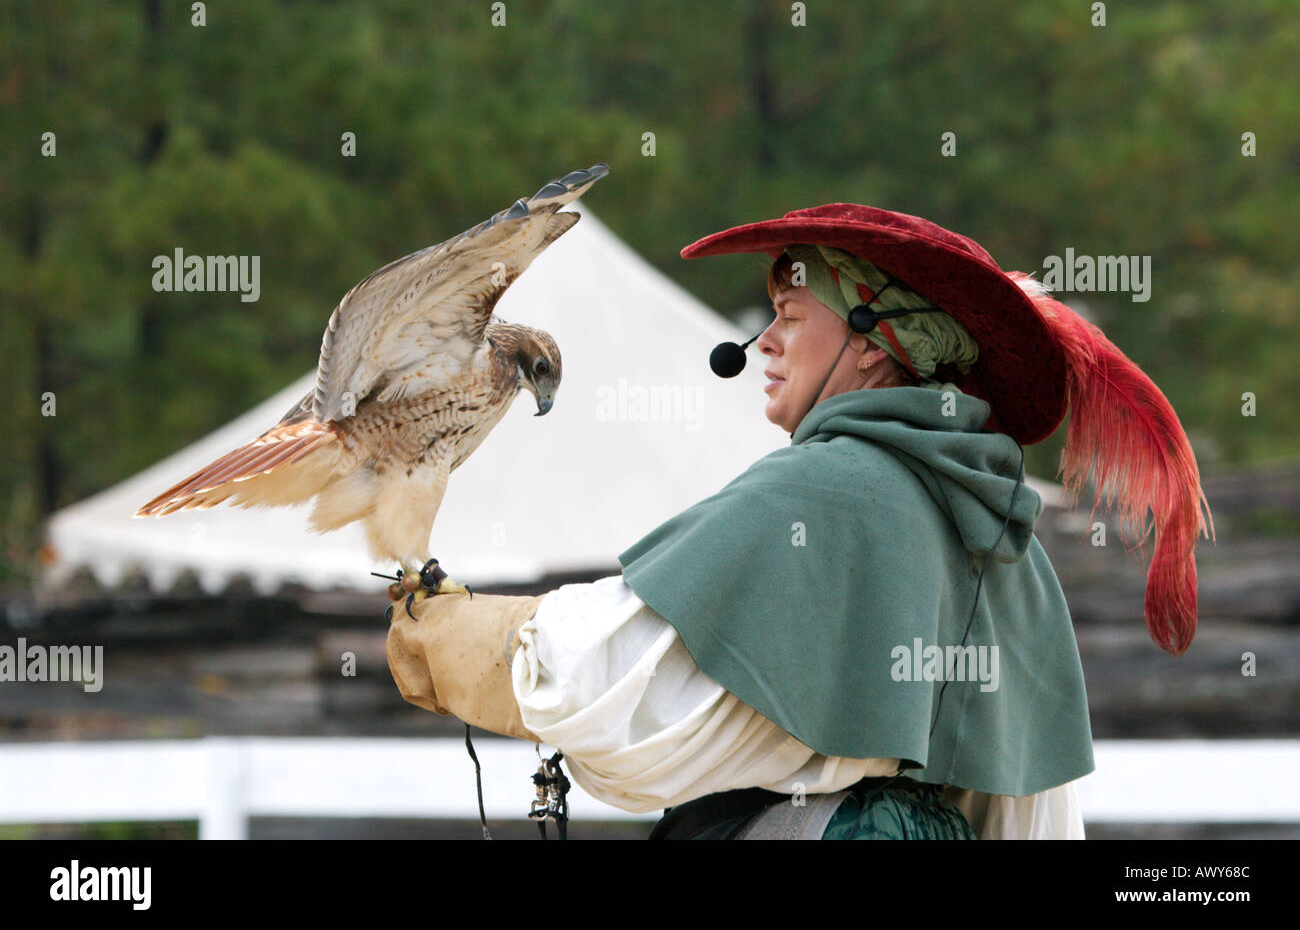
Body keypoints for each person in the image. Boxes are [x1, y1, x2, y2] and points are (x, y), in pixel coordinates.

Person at [385, 203, 1214, 839]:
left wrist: (476, 635)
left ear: (870, 338)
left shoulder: (831, 488)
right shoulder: (1003, 531)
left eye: (789, 315)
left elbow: (614, 684)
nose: (764, 343)